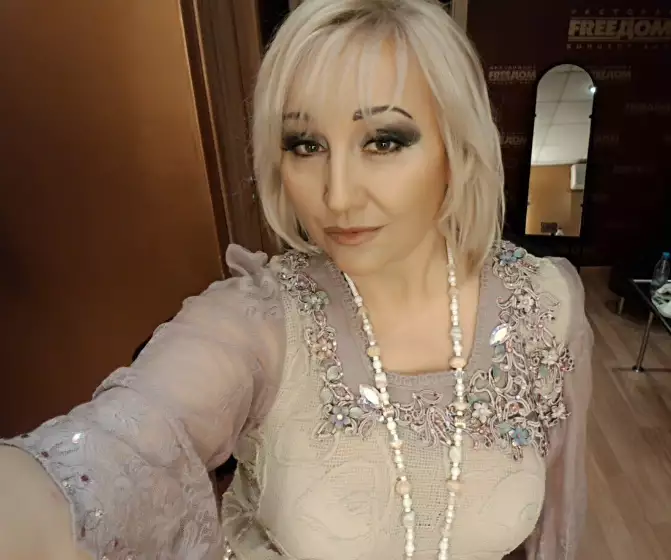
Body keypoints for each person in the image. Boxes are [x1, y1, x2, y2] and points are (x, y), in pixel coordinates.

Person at [0, 1, 593, 559]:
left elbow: (554, 521)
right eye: (306, 145)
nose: (337, 195)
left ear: (455, 146)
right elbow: (122, 442)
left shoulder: (545, 303)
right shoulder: (256, 320)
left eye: (383, 141)